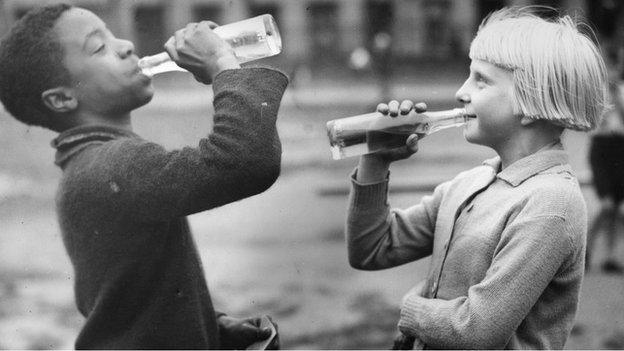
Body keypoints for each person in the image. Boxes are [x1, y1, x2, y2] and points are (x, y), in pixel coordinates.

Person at [0, 4, 287, 349]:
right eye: (98, 47)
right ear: (62, 98)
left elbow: (134, 300)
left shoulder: (94, 163)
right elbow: (245, 161)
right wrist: (223, 66)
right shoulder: (109, 165)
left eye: (112, 35)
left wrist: (212, 328)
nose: (125, 45)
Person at [345, 7, 608, 349]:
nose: (461, 91)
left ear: (531, 101)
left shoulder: (550, 203)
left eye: (481, 79)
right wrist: (376, 163)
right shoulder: (470, 183)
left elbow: (477, 331)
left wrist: (412, 308)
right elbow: (370, 249)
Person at [586, 52, 624, 274]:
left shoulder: (621, 91)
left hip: (620, 148)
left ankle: (610, 255)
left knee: (616, 207)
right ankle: (587, 249)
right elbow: (591, 123)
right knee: (607, 204)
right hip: (601, 147)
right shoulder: (597, 94)